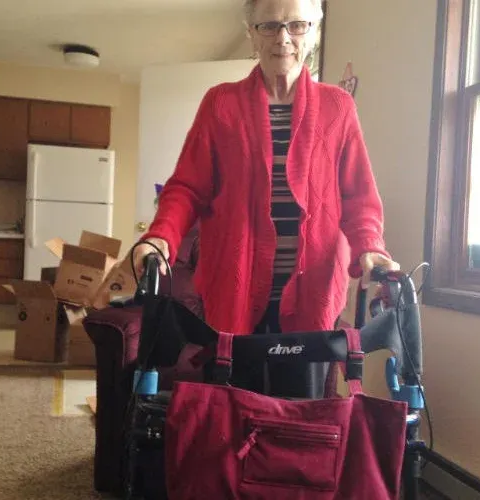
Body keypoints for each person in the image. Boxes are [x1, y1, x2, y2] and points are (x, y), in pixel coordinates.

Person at [132, 0, 400, 398]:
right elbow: (187, 187)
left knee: (301, 419)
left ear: (313, 30)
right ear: (251, 32)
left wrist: (370, 247)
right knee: (232, 410)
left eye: (297, 25)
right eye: (270, 26)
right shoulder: (220, 104)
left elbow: (357, 197)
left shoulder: (338, 108)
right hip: (234, 288)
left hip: (312, 291)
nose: (284, 38)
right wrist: (161, 237)